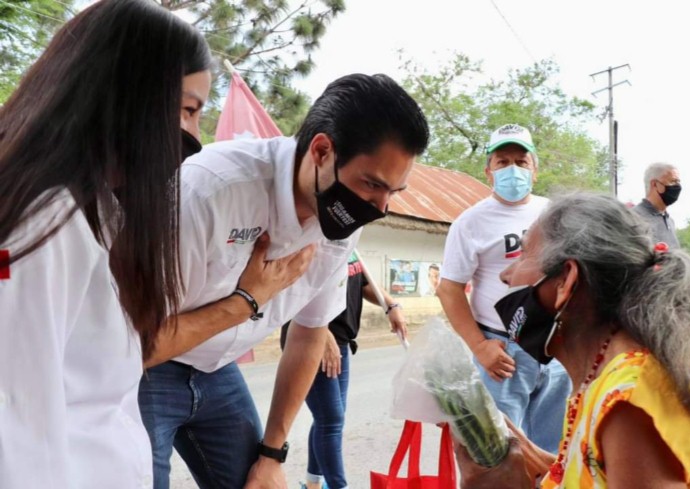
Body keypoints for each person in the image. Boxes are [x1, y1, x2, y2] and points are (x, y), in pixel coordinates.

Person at [138, 74, 430, 489]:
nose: (379, 208)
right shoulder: (211, 190)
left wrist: (272, 455)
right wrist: (245, 302)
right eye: (373, 185)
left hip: (217, 368)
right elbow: (136, 346)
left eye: (394, 192)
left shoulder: (345, 216)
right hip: (145, 371)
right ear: (322, 150)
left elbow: (310, 333)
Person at [0, 0, 212, 487]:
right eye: (186, 109)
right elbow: (14, 421)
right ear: (125, 94)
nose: (194, 137)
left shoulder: (96, 212)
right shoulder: (44, 220)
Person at [455, 193, 690, 488]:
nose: (505, 274)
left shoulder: (630, 402)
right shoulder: (622, 368)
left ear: (566, 280)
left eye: (524, 255)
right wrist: (531, 455)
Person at [436, 123, 571, 454]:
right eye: (503, 161)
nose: (513, 169)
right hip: (503, 352)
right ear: (488, 172)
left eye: (521, 161)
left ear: (535, 170)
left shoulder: (555, 214)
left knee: (555, 454)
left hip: (558, 348)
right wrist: (480, 347)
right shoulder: (470, 222)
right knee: (499, 455)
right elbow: (449, 289)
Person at [280, 252, 407, 489]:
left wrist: (391, 305)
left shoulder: (350, 243)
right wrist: (321, 333)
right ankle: (338, 486)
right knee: (330, 419)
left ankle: (313, 483)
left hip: (341, 340)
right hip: (309, 339)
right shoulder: (314, 239)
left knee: (328, 419)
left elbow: (362, 281)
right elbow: (293, 289)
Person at [633, 162, 682, 248]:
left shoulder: (670, 221)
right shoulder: (634, 218)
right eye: (673, 181)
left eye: (678, 182)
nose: (678, 186)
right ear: (655, 184)